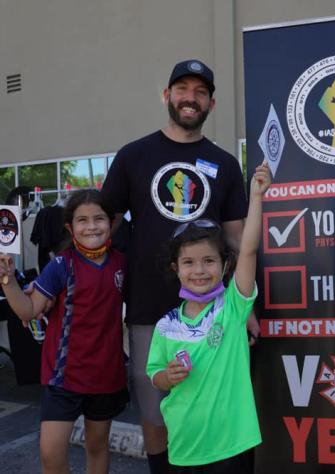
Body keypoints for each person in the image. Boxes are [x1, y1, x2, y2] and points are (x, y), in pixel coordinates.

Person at [101, 58, 258, 472]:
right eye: (183, 89)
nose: (191, 98)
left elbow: (238, 238)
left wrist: (249, 307)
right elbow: (103, 225)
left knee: (206, 405)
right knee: (155, 411)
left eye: (200, 92)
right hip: (149, 306)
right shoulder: (134, 155)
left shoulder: (224, 163)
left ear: (212, 103)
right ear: (166, 95)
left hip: (216, 309)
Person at [146, 162, 270, 473]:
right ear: (176, 269)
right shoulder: (165, 324)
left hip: (231, 445)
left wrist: (256, 197)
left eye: (208, 261)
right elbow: (155, 375)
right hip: (184, 446)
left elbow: (249, 250)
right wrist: (167, 376)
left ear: (225, 266)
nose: (199, 270)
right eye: (188, 262)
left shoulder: (232, 307)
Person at [0, 189, 128, 474]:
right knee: (50, 454)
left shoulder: (122, 263)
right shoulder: (61, 265)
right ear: (70, 228)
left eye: (99, 218)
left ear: (111, 222)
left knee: (97, 447)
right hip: (63, 377)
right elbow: (28, 311)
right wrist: (7, 281)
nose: (91, 226)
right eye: (82, 220)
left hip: (106, 375)